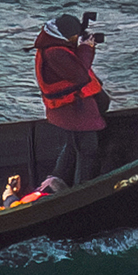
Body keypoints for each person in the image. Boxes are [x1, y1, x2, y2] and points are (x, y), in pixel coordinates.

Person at [33, 13, 107, 190]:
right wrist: (86, 47)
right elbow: (79, 74)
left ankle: (56, 180)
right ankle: (82, 189)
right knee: (87, 149)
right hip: (72, 109)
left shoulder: (54, 45)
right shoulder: (55, 53)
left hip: (71, 108)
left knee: (73, 146)